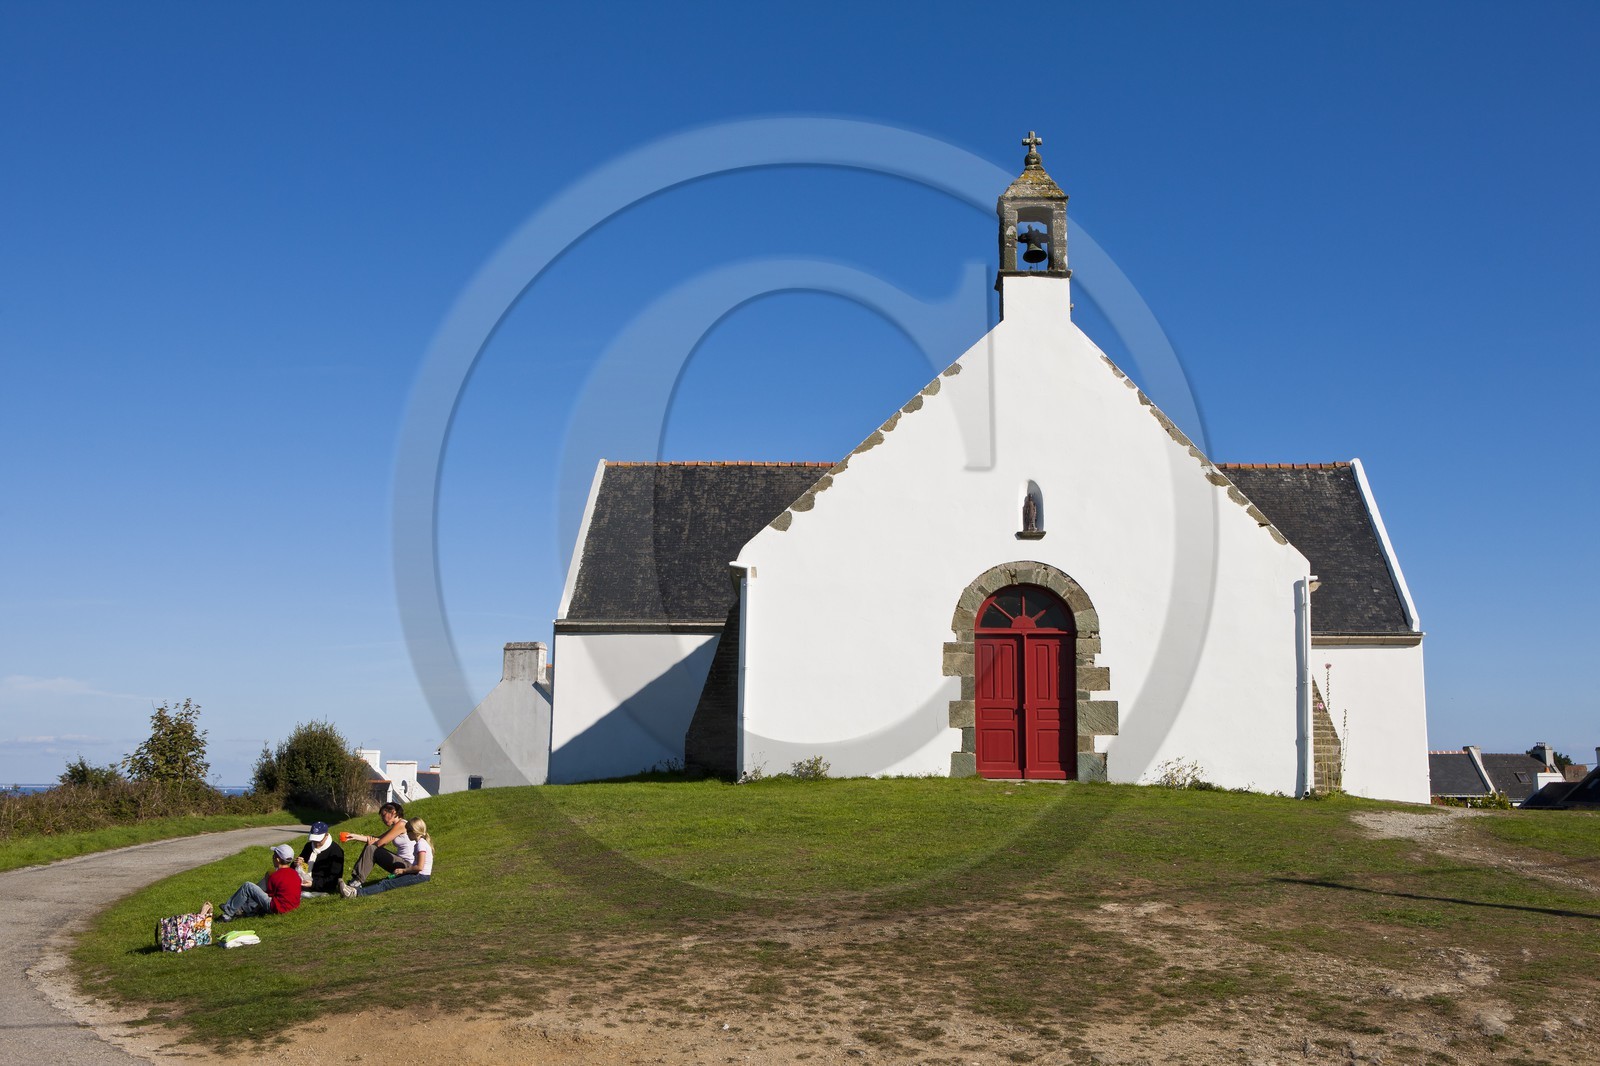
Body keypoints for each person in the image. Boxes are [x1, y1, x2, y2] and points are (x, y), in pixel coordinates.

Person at [340, 818, 433, 898]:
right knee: (387, 882)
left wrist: (403, 871)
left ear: (414, 832)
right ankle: (354, 889)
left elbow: (420, 867)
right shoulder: (421, 843)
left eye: (408, 831)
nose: (407, 834)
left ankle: (354, 893)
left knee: (386, 884)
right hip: (419, 874)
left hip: (420, 876)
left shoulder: (421, 844)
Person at [210, 843, 302, 921]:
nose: (272, 858)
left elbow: (269, 895)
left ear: (277, 859)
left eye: (274, 856)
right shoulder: (295, 874)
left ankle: (228, 912)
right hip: (292, 906)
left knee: (248, 886)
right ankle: (243, 909)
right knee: (256, 891)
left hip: (278, 908)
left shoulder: (275, 876)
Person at [343, 800, 415, 888]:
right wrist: (354, 836)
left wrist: (372, 843)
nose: (382, 819)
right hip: (403, 864)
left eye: (384, 815)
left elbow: (380, 843)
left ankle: (357, 881)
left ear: (393, 812)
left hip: (408, 866)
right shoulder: (399, 825)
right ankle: (356, 880)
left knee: (371, 848)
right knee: (371, 847)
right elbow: (377, 839)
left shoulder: (401, 825)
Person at [298, 821, 345, 895]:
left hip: (323, 886)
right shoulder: (308, 846)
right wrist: (298, 864)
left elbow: (334, 878)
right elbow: (303, 866)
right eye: (314, 840)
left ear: (326, 835)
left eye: (318, 841)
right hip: (304, 882)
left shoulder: (335, 851)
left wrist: (313, 884)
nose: (316, 843)